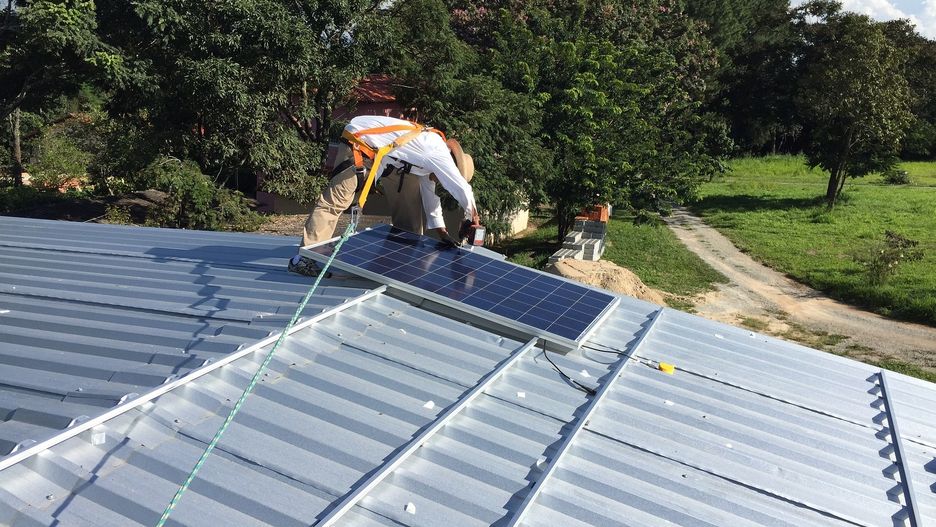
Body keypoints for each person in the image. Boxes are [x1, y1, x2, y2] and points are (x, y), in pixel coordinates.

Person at [288, 115, 481, 276]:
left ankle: (400, 260)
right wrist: (473, 218)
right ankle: (303, 259)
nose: (439, 182)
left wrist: (442, 233)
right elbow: (462, 188)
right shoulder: (437, 153)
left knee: (409, 201)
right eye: (444, 177)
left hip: (382, 157)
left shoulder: (428, 160)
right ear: (450, 166)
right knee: (335, 202)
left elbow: (430, 198)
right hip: (360, 144)